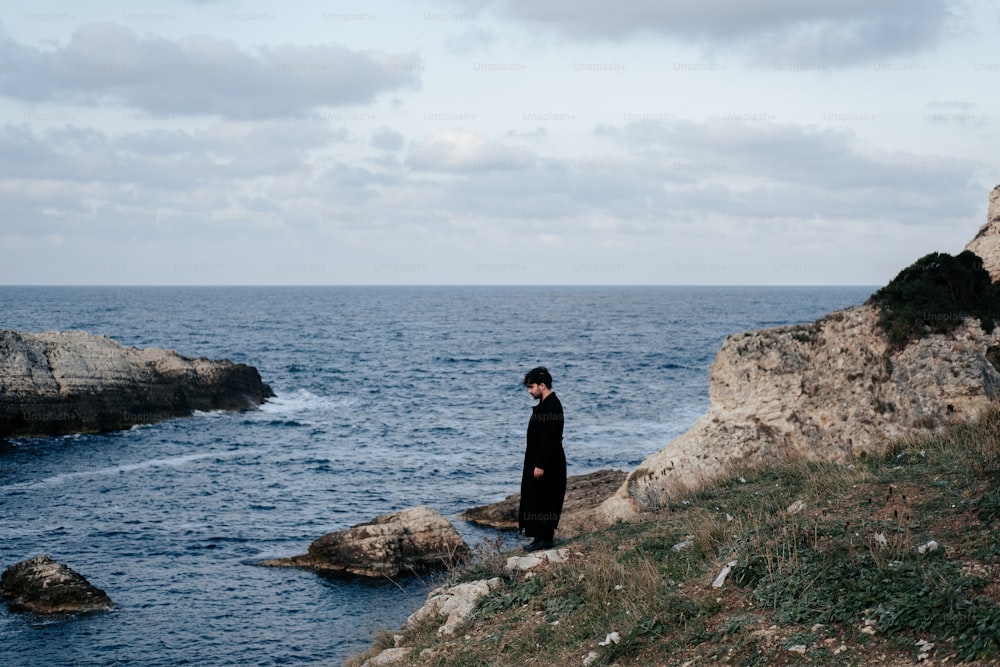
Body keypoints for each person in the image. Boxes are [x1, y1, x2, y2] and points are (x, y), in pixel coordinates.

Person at [518, 366, 567, 552]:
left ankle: (545, 538)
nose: (530, 391)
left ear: (542, 385)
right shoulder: (546, 404)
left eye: (532, 387)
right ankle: (539, 537)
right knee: (537, 497)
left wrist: (540, 464)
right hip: (541, 461)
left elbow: (550, 438)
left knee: (546, 497)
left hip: (548, 463)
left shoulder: (553, 405)